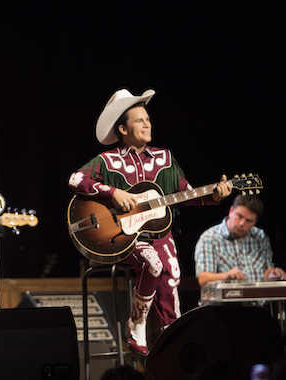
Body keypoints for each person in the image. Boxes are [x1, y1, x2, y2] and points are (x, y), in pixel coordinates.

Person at [68, 88, 232, 355]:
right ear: (122, 129)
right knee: (153, 263)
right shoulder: (107, 161)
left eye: (148, 119)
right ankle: (138, 320)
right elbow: (76, 180)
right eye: (139, 120)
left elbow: (185, 193)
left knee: (172, 274)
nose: (147, 124)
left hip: (158, 234)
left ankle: (174, 336)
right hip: (123, 238)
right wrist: (113, 192)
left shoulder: (165, 158)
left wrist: (215, 196)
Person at [194, 194, 285, 287]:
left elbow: (266, 272)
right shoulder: (210, 238)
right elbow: (203, 279)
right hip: (226, 300)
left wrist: (273, 274)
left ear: (255, 221)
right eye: (239, 216)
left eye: (249, 221)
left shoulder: (260, 236)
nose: (242, 223)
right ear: (231, 211)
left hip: (258, 299)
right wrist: (226, 276)